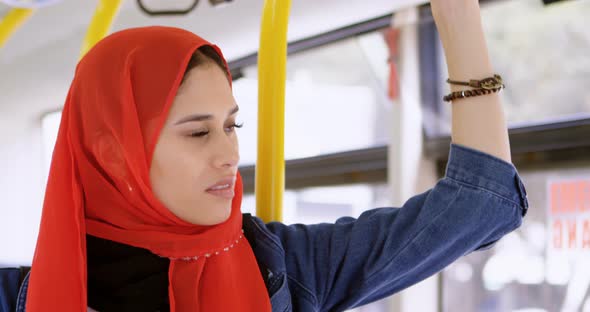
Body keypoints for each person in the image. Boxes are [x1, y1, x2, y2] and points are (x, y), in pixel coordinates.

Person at [19, 0, 528, 311]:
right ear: (112, 154)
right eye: (198, 134)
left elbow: (479, 206)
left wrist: (457, 17)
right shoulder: (22, 295)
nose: (229, 156)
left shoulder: (283, 266)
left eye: (231, 126)